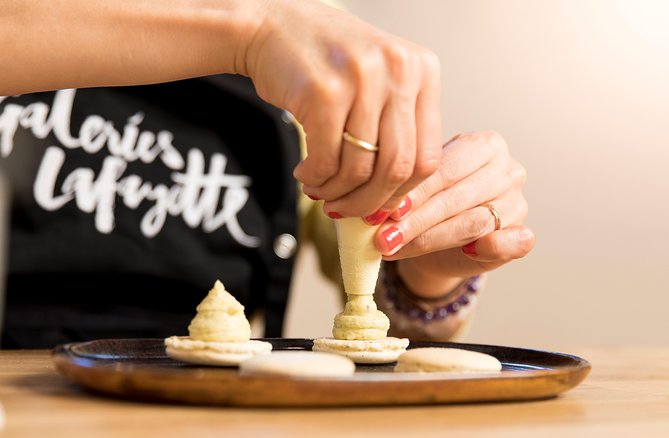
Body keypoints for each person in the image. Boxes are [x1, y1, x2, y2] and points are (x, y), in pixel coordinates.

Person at [0, 0, 534, 348]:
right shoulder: (271, 25)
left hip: (207, 412)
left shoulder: (301, 52)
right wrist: (248, 29)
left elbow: (386, 299)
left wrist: (428, 270)